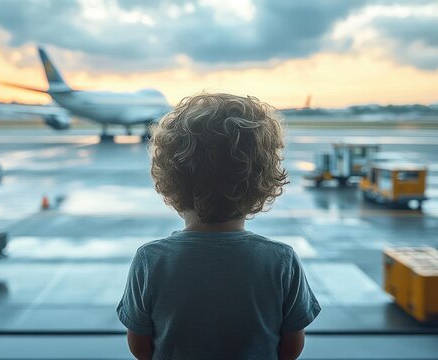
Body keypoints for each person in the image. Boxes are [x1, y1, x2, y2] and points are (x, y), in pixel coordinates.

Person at [116, 93, 321, 360]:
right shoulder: (281, 261)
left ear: (168, 179)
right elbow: (291, 348)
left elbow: (140, 348)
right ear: (264, 181)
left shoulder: (151, 259)